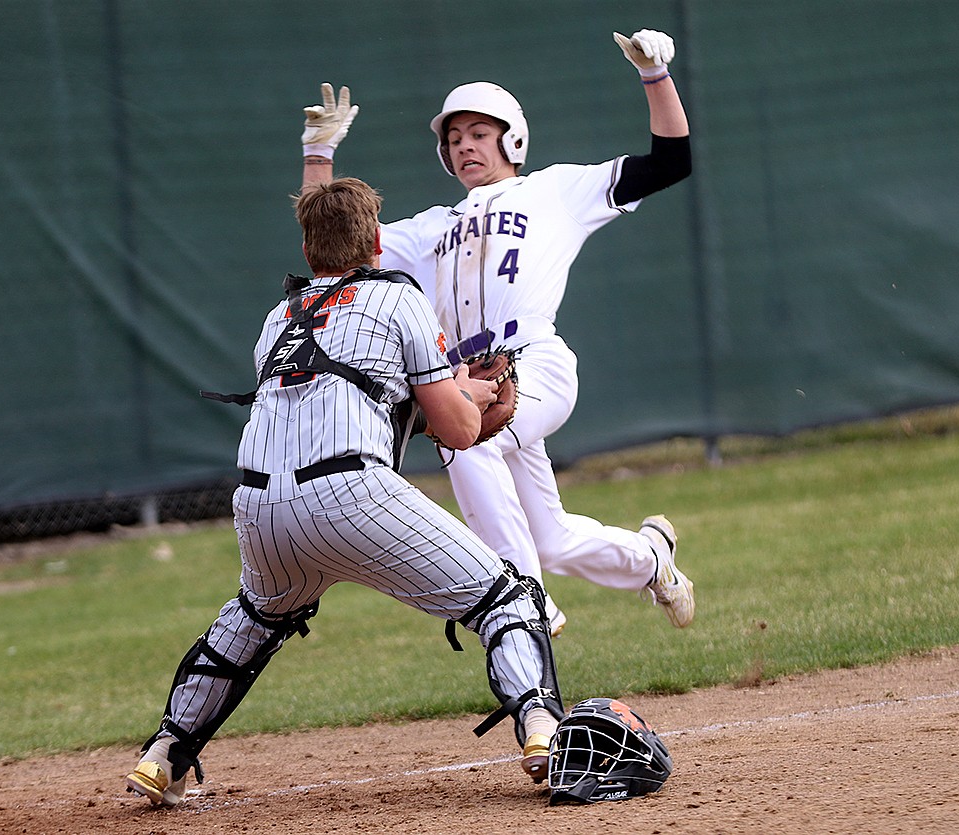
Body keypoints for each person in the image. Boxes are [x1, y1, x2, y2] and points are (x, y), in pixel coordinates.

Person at [124, 177, 565, 808]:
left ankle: (164, 754)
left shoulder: (277, 319)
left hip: (257, 504)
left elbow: (353, 393)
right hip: (350, 493)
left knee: (253, 621)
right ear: (379, 244)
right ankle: (544, 730)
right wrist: (476, 397)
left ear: (307, 253)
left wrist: (444, 389)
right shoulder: (400, 299)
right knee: (508, 598)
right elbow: (459, 430)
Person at [299, 28, 696, 637]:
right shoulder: (433, 226)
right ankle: (650, 559)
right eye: (454, 139)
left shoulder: (552, 190)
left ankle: (523, 601)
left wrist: (655, 78)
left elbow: (671, 163)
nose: (464, 146)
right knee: (554, 538)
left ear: (512, 138)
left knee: (469, 436)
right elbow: (329, 250)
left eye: (479, 133)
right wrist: (319, 156)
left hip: (533, 362)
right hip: (469, 372)